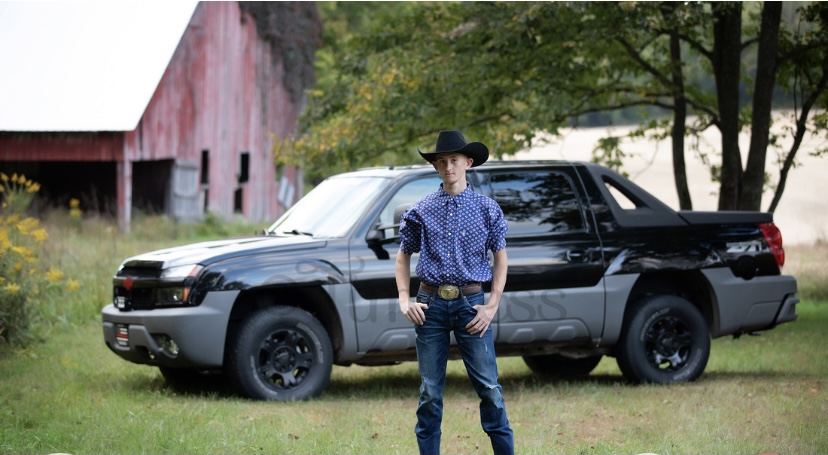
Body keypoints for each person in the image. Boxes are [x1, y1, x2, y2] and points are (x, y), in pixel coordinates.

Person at [395, 130, 514, 455]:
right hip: (430, 306)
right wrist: (404, 300)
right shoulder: (420, 210)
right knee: (430, 393)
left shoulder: (487, 209)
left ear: (468, 162)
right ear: (435, 166)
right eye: (442, 161)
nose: (448, 167)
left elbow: (500, 258)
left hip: (472, 306)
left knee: (489, 389)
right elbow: (403, 256)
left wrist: (491, 306)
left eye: (454, 160)